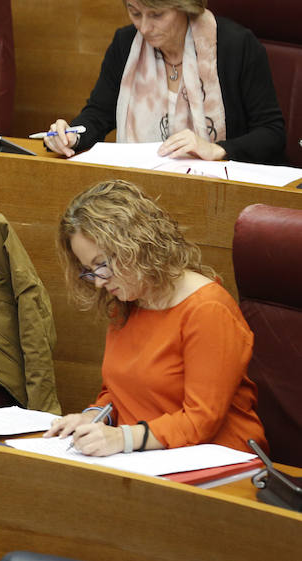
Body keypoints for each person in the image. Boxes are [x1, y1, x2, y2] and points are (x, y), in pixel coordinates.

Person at [44, 179, 266, 456]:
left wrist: (122, 438)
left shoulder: (208, 309)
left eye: (102, 264)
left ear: (135, 244)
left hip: (217, 462)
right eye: (90, 270)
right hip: (147, 459)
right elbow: (119, 390)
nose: (99, 282)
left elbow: (201, 421)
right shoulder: (126, 302)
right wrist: (94, 416)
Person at [44, 0, 286, 165]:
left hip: (221, 188)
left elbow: (272, 133)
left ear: (185, 3)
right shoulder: (126, 43)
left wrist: (218, 149)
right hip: (141, 187)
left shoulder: (236, 46)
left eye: (157, 14)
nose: (144, 27)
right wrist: (72, 135)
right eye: (135, 13)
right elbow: (98, 114)